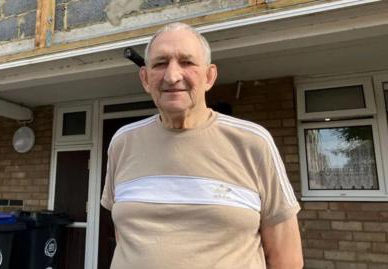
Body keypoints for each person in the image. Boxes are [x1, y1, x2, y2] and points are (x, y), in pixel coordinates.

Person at [101, 22, 303, 269]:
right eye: (160, 63)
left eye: (187, 62)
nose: (172, 76)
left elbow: (287, 259)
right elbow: (126, 236)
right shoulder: (122, 143)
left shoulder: (253, 142)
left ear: (209, 76)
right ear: (145, 78)